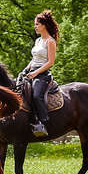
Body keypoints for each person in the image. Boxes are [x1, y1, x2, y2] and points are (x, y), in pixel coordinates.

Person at [18, 10, 59, 138]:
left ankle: (43, 122)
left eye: (37, 24)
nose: (35, 26)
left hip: (43, 75)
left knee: (36, 96)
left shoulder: (50, 41)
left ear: (44, 25)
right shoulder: (38, 41)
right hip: (32, 72)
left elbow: (51, 62)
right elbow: (34, 59)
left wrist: (35, 73)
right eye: (35, 24)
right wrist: (25, 70)